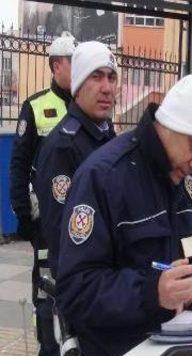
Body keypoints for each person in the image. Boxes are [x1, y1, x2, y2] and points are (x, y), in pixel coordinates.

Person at [55, 75, 192, 356]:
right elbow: (75, 289)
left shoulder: (190, 180)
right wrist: (152, 291)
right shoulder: (103, 177)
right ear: (172, 124)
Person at [9, 31, 75, 356]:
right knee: (45, 291)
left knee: (79, 283)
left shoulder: (87, 105)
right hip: (47, 223)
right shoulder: (35, 107)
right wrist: (22, 213)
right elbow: (19, 164)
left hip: (80, 222)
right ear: (55, 66)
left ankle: (74, 348)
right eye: (71, 63)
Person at [35, 41, 118, 279]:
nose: (106, 88)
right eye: (96, 77)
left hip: (111, 278)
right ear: (79, 85)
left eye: (111, 78)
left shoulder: (108, 136)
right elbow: (61, 232)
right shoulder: (62, 146)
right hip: (86, 286)